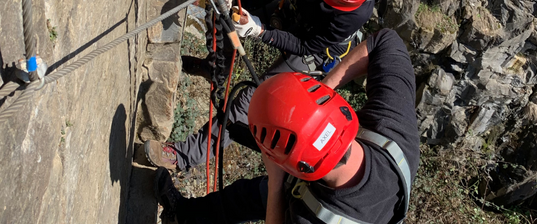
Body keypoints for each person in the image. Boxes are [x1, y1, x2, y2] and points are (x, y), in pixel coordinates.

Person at [145, 0, 385, 171]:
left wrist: (260, 30)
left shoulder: (354, 14)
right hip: (291, 9)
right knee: (225, 12)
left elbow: (304, 45)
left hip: (312, 51)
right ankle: (215, 68)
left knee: (252, 100)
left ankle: (182, 155)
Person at [154, 28, 420, 224]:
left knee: (266, 194)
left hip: (327, 212)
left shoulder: (309, 219)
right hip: (321, 190)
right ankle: (183, 215)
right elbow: (385, 41)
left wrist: (276, 184)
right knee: (246, 196)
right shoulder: (394, 129)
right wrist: (321, 91)